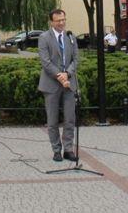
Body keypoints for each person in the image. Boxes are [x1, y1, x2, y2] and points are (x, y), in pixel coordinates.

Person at [38, 8, 78, 162]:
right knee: (52, 121)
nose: (62, 23)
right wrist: (60, 76)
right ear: (51, 22)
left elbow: (76, 59)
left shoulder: (70, 37)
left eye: (63, 20)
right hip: (51, 84)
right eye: (58, 20)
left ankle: (68, 149)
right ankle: (56, 150)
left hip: (69, 83)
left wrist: (67, 73)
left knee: (69, 119)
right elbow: (45, 62)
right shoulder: (44, 37)